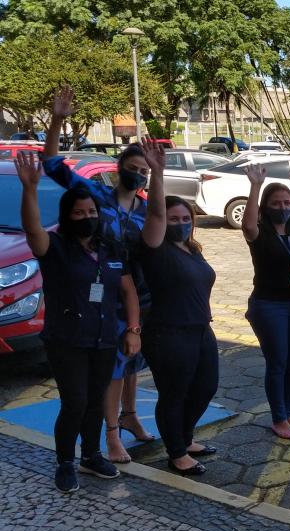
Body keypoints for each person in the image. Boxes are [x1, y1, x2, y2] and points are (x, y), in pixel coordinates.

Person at [42, 87, 155, 464]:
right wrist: (57, 120)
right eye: (133, 168)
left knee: (132, 362)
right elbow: (52, 164)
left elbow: (157, 236)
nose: (138, 175)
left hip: (134, 292)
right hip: (101, 295)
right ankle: (110, 434)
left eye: (144, 171)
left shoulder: (144, 209)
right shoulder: (96, 195)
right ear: (119, 167)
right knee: (114, 368)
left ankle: (130, 416)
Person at [16, 151, 141, 492]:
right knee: (75, 402)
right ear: (67, 216)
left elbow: (128, 290)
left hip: (104, 338)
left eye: (92, 212)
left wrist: (133, 329)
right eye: (79, 213)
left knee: (97, 399)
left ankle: (91, 455)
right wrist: (29, 189)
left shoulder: (109, 249)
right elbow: (32, 229)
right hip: (67, 339)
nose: (87, 217)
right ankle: (65, 462)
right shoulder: (55, 246)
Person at [140, 185, 219, 477]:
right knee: (174, 394)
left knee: (206, 388)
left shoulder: (192, 248)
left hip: (200, 328)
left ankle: (185, 439)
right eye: (173, 219)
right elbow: (154, 214)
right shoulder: (155, 250)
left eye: (186, 219)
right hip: (168, 332)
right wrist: (157, 173)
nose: (181, 224)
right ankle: (176, 453)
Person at [241, 165, 290, 440]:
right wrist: (255, 186)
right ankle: (278, 417)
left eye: (286, 203)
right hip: (268, 304)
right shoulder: (260, 232)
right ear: (265, 206)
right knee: (278, 362)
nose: (282, 207)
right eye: (276, 203)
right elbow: (247, 225)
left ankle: (288, 410)